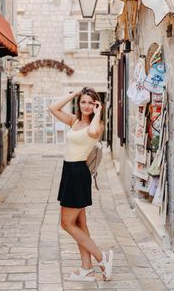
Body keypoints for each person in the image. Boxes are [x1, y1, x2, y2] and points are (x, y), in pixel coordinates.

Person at [48, 87, 113, 282]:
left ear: (96, 105)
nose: (86, 106)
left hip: (78, 173)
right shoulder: (74, 121)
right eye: (83, 102)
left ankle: (103, 258)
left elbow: (93, 132)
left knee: (66, 223)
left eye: (90, 103)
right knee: (80, 223)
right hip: (69, 172)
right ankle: (87, 269)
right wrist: (74, 94)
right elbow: (53, 107)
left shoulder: (97, 124)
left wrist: (99, 111)